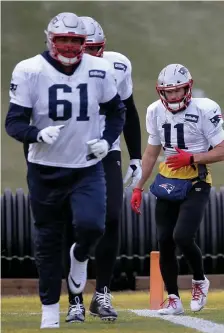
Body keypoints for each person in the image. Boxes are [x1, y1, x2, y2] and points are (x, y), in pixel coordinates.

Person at [5, 12, 126, 329]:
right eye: (64, 40)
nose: (70, 46)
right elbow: (14, 122)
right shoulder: (30, 70)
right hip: (45, 168)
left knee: (93, 227)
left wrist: (107, 140)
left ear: (85, 44)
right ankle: (49, 311)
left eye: (76, 40)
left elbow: (117, 112)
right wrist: (36, 134)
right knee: (48, 238)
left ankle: (81, 257)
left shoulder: (99, 69)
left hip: (86, 166)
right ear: (50, 39)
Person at [64, 16, 142, 323]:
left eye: (95, 49)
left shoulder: (117, 65)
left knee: (111, 217)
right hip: (70, 153)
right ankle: (74, 300)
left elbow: (128, 108)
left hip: (106, 150)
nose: (90, 56)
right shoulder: (53, 71)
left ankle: (102, 293)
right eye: (85, 49)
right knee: (77, 224)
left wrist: (135, 156)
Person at [131, 63, 224, 315]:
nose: (172, 96)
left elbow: (222, 149)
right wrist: (138, 187)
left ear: (188, 88)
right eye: (168, 92)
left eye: (177, 91)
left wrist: (192, 158)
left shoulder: (206, 109)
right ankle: (173, 298)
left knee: (182, 236)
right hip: (167, 180)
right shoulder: (154, 111)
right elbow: (151, 153)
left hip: (196, 180)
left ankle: (199, 280)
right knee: (165, 242)